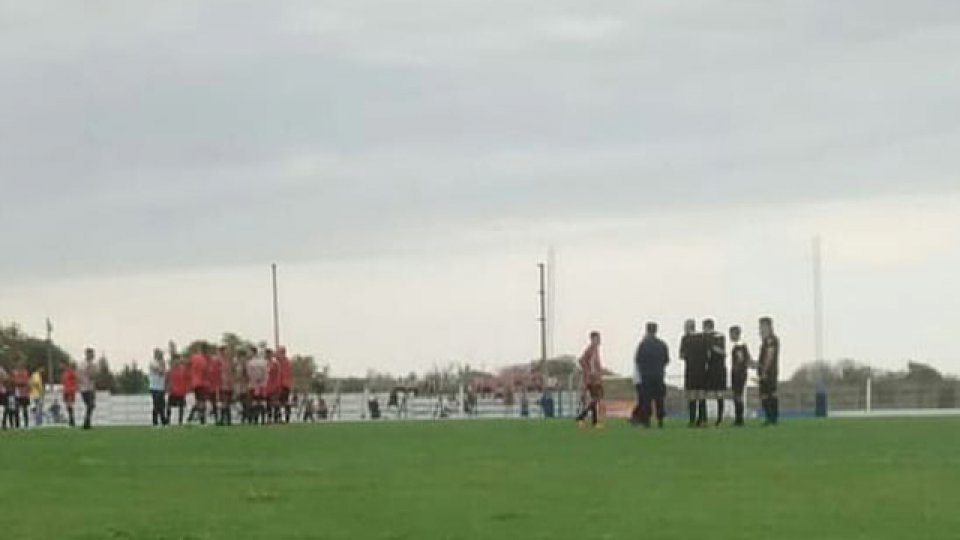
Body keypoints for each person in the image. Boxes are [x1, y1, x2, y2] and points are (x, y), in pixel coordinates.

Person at [636, 322, 670, 428]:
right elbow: (666, 360)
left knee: (647, 399)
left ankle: (647, 421)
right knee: (659, 399)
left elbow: (638, 360)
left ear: (647, 330)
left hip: (646, 376)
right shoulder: (662, 344)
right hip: (659, 375)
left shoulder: (643, 344)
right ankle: (660, 420)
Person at [575, 331, 605, 429]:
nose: (599, 340)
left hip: (594, 379)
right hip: (592, 380)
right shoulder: (591, 350)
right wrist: (589, 372)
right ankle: (581, 417)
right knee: (596, 398)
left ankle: (594, 422)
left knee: (594, 400)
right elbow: (582, 360)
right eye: (597, 338)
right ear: (592, 339)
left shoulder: (595, 350)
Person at [679, 319, 706, 427]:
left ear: (687, 327)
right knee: (701, 395)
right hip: (702, 370)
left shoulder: (685, 338)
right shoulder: (702, 337)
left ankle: (692, 420)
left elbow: (681, 355)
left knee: (691, 395)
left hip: (691, 370)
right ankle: (702, 420)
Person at [703, 319, 727, 426]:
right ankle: (704, 417)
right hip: (708, 368)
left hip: (718, 368)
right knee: (704, 393)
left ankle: (720, 418)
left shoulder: (719, 336)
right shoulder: (702, 337)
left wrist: (711, 347)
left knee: (719, 393)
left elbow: (723, 352)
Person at [758, 317, 781, 426]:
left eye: (762, 326)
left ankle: (772, 418)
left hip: (769, 372)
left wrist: (764, 371)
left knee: (769, 394)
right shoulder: (766, 341)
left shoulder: (771, 340)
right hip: (766, 371)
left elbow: (769, 356)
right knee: (765, 394)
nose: (760, 329)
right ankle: (770, 418)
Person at [729, 326, 752, 427]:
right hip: (739, 373)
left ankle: (739, 419)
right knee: (737, 395)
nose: (730, 336)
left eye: (731, 334)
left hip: (739, 374)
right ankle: (738, 418)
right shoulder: (740, 346)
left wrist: (737, 370)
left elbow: (741, 360)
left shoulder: (739, 346)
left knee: (738, 396)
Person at [187, 345, 209, 424]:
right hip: (201, 383)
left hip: (195, 383)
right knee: (202, 402)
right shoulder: (203, 359)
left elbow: (188, 366)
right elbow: (205, 371)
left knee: (198, 401)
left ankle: (191, 417)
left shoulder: (193, 357)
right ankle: (201, 419)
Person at [247, 347, 268, 425]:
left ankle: (255, 419)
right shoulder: (263, 362)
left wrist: (255, 381)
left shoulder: (250, 362)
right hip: (261, 384)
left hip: (254, 385)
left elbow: (249, 374)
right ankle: (262, 419)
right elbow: (266, 373)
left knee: (255, 402)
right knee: (260, 402)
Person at [78, 348, 97, 430]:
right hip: (85, 388)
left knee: (91, 405)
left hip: (90, 387)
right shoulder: (85, 364)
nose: (93, 356)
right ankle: (86, 423)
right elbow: (91, 375)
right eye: (91, 354)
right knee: (90, 405)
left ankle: (87, 422)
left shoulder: (88, 364)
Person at [167, 356, 189, 425]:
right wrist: (168, 388)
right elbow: (167, 380)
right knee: (169, 406)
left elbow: (186, 379)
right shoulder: (170, 370)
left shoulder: (183, 369)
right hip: (173, 391)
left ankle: (180, 421)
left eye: (178, 360)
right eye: (175, 360)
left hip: (181, 391)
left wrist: (186, 389)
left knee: (181, 407)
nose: (176, 362)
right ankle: (167, 420)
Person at [148, 349, 167, 427]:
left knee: (162, 405)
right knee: (156, 405)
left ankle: (163, 422)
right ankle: (155, 422)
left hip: (161, 387)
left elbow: (164, 371)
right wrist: (162, 365)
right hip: (154, 387)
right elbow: (160, 372)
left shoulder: (162, 363)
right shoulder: (153, 363)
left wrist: (163, 364)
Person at [206, 348, 223, 425]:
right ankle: (217, 419)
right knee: (214, 403)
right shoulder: (208, 364)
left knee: (218, 403)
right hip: (212, 387)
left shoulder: (218, 363)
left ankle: (219, 419)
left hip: (217, 386)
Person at [277, 347, 293, 424]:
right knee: (282, 402)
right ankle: (284, 418)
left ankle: (285, 418)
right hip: (285, 384)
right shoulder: (285, 362)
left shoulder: (284, 362)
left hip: (283, 384)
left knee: (282, 402)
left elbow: (282, 374)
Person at [12, 362, 30, 428]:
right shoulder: (15, 372)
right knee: (16, 409)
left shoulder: (25, 372)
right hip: (17, 393)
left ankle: (26, 424)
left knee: (24, 410)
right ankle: (17, 425)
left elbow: (24, 381)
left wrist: (18, 381)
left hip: (24, 394)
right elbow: (13, 381)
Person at [61, 361, 78, 427]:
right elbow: (64, 382)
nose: (60, 366)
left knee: (70, 405)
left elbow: (75, 380)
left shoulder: (71, 372)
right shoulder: (64, 373)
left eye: (61, 364)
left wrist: (73, 388)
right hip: (65, 391)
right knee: (68, 406)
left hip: (70, 391)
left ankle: (72, 421)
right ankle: (71, 421)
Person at [0, 365, 11, 429]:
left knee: (5, 407)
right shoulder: (1, 369)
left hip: (2, 391)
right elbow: (6, 378)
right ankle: (3, 423)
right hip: (2, 391)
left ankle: (4, 423)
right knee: (6, 407)